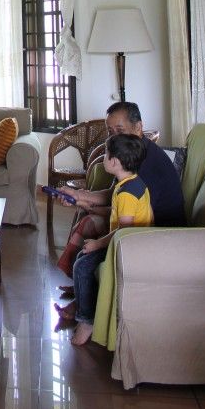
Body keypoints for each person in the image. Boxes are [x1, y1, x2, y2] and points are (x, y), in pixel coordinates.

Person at [53, 101, 185, 292]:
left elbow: (127, 212)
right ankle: (81, 287)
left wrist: (87, 204)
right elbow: (115, 195)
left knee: (88, 222)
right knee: (86, 219)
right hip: (136, 220)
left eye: (120, 130)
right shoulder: (133, 153)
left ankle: (82, 293)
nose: (114, 137)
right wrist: (79, 195)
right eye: (110, 131)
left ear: (138, 127)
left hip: (155, 231)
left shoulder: (145, 162)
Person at [68, 133, 154, 345]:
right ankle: (88, 310)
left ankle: (87, 321)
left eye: (105, 154)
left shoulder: (126, 193)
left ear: (114, 161)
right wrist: (87, 205)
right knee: (81, 257)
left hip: (129, 247)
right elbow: (117, 214)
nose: (103, 158)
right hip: (127, 242)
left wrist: (97, 243)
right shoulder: (130, 183)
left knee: (82, 266)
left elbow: (123, 231)